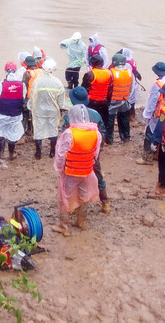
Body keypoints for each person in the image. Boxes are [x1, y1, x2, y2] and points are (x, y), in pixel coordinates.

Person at [51, 104, 102, 236]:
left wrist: (59, 168)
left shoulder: (69, 133)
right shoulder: (95, 132)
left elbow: (61, 154)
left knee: (64, 197)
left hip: (71, 171)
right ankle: (81, 221)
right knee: (83, 196)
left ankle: (64, 226)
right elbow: (96, 154)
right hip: (87, 171)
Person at [62, 87, 111, 213]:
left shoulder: (69, 116)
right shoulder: (95, 114)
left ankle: (74, 207)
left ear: (73, 101)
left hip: (74, 156)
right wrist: (98, 151)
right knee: (98, 175)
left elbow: (64, 138)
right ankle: (105, 202)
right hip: (91, 154)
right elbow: (102, 133)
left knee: (73, 180)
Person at [0, 62, 26, 160]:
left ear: (5, 71)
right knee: (13, 133)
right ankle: (11, 154)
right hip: (16, 114)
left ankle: (0, 154)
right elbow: (22, 97)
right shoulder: (22, 85)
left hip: (3, 113)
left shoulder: (1, 85)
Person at [28, 58, 67, 159]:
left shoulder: (37, 81)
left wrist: (30, 106)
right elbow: (61, 101)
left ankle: (38, 153)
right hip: (53, 111)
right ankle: (52, 152)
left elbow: (32, 96)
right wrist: (61, 108)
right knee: (53, 130)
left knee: (38, 130)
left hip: (39, 110)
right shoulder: (58, 82)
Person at [137, 62, 165, 164]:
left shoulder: (157, 85)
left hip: (158, 114)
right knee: (162, 134)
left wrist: (147, 115)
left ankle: (147, 158)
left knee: (150, 133)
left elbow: (152, 102)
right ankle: (158, 154)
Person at [107, 53, 134, 143]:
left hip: (112, 101)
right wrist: (127, 97)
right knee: (124, 120)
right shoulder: (129, 72)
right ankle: (125, 138)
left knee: (110, 120)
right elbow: (132, 88)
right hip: (124, 99)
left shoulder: (111, 73)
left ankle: (109, 140)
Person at [81, 55, 112, 135]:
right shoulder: (109, 73)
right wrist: (108, 102)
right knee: (104, 122)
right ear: (102, 63)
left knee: (92, 121)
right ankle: (105, 139)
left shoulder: (89, 74)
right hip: (104, 102)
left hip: (92, 102)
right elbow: (110, 90)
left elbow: (83, 90)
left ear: (91, 64)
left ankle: (92, 137)